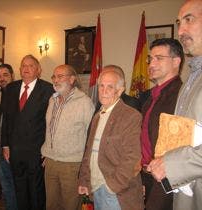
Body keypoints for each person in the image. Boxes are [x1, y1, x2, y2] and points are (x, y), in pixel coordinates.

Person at [147, 1, 202, 210]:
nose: (181, 30)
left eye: (189, 19)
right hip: (183, 193)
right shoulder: (192, 78)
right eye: (179, 23)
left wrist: (170, 164)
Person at [78, 69, 144, 210]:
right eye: (101, 86)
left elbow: (132, 158)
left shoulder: (130, 116)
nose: (104, 91)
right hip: (96, 189)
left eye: (110, 87)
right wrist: (84, 180)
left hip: (117, 193)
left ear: (120, 91)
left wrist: (112, 187)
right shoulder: (98, 115)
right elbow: (89, 152)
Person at [1, 54, 54, 210]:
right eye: (23, 65)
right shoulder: (11, 88)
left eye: (31, 66)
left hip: (36, 150)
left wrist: (48, 149)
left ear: (38, 70)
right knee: (20, 190)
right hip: (15, 150)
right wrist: (5, 144)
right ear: (19, 69)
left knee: (36, 191)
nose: (26, 69)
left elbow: (51, 123)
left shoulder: (48, 89)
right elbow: (6, 119)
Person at [41, 64, 95, 210]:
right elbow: (50, 131)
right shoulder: (52, 100)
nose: (55, 80)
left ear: (71, 79)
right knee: (51, 205)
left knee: (70, 206)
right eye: (54, 77)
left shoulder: (84, 102)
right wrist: (48, 153)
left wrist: (86, 167)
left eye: (60, 76)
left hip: (72, 165)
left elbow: (91, 137)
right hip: (51, 162)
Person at [140, 38, 184, 210]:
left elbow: (177, 150)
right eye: (150, 59)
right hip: (147, 175)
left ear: (176, 61)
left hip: (164, 181)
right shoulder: (150, 97)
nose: (152, 63)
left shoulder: (180, 96)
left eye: (159, 58)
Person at [0, 64, 17, 210]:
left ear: (13, 75)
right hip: (1, 146)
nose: (2, 78)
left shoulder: (18, 93)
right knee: (6, 186)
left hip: (14, 148)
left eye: (5, 75)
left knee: (15, 185)